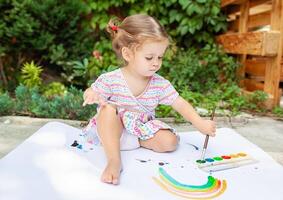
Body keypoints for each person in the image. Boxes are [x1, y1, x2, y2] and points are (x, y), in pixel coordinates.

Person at [82, 14, 216, 185]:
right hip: (113, 132)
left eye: (160, 57)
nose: (156, 63)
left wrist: (200, 123)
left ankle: (136, 143)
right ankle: (114, 160)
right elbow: (91, 90)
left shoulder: (159, 84)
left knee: (170, 142)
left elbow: (179, 103)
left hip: (140, 132)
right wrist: (91, 94)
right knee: (108, 110)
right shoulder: (112, 79)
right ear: (128, 54)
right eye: (149, 57)